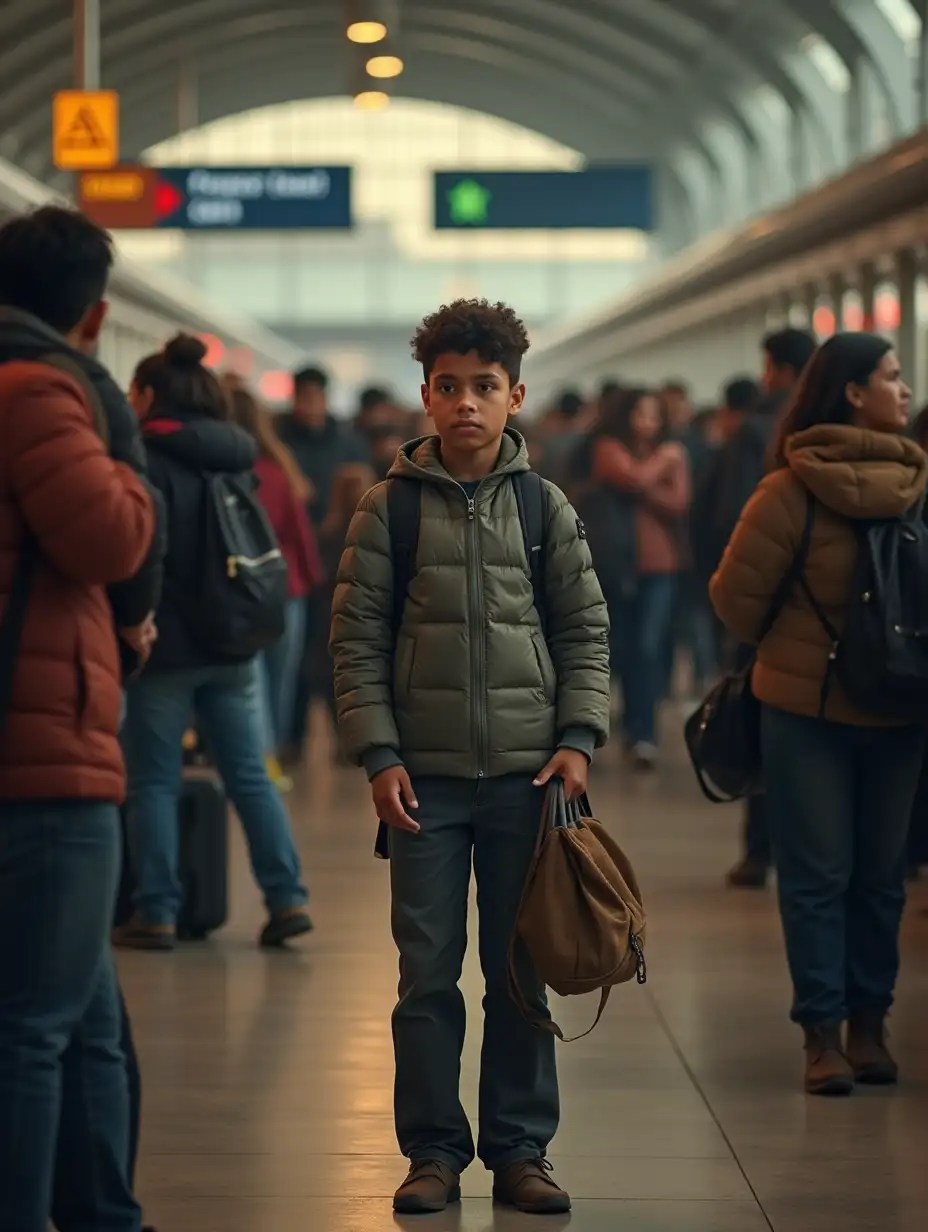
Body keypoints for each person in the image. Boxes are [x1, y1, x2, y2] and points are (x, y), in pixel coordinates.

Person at [330, 298, 611, 1216]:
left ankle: (521, 1150)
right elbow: (355, 640)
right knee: (427, 973)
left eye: (484, 388)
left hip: (530, 782)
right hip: (425, 784)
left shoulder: (544, 507)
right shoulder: (388, 512)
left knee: (521, 971)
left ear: (515, 395)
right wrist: (377, 753)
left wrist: (577, 740)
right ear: (425, 395)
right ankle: (434, 1152)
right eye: (448, 387)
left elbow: (584, 631)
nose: (465, 405)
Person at [710, 333, 926, 1096]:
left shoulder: (785, 491)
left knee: (820, 874)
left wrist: (798, 636)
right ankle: (860, 1029)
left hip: (807, 706)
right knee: (876, 876)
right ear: (853, 394)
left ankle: (827, 1036)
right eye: (892, 378)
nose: (904, 391)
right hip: (894, 708)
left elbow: (736, 603)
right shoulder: (917, 489)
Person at [0, 208, 156, 1232]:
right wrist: (129, 456)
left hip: (47, 733)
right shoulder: (40, 388)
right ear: (94, 314)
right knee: (34, 1028)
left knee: (92, 1017)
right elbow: (109, 535)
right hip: (43, 744)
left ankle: (105, 1211)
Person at [116, 335, 311, 952]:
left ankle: (157, 909)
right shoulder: (237, 457)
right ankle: (286, 901)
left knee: (153, 779)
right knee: (249, 775)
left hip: (165, 647)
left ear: (148, 395)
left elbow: (140, 553)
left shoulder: (142, 459)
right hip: (233, 643)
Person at [716, 330, 817, 889]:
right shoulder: (865, 440)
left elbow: (726, 527)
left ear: (775, 369)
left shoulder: (755, 433)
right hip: (839, 632)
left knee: (765, 732)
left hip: (768, 620)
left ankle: (760, 851)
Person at [227, 381, 323, 789]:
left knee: (249, 683)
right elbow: (300, 535)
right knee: (280, 681)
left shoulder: (224, 474)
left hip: (237, 590)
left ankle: (256, 754)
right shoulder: (279, 470)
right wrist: (312, 579)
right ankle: (272, 756)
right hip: (287, 589)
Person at [590, 386, 690, 768]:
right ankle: (598, 728)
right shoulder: (610, 448)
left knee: (649, 649)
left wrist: (645, 482)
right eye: (640, 414)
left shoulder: (669, 453)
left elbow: (678, 501)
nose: (647, 423)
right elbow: (629, 478)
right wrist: (662, 466)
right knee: (614, 648)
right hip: (618, 562)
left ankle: (642, 734)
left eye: (653, 415)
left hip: (661, 566)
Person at [275, 365, 370, 757]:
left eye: (316, 397)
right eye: (304, 397)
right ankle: (291, 738)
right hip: (294, 567)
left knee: (340, 653)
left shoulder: (347, 443)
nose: (311, 406)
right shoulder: (280, 444)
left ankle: (345, 741)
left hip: (339, 563)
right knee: (295, 657)